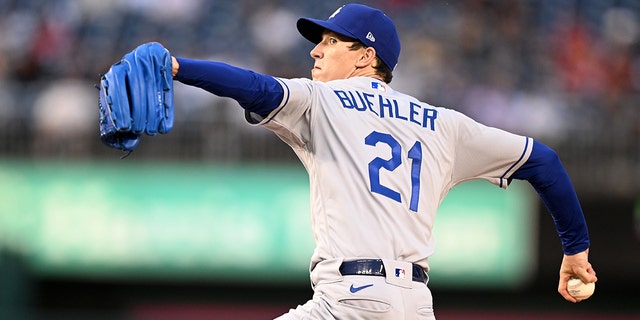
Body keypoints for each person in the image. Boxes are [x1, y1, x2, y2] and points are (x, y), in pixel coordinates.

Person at [169, 4, 597, 319]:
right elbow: (544, 161)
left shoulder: (324, 100)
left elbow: (255, 87)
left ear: (365, 57)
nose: (316, 52)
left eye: (330, 41)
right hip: (416, 305)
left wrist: (177, 66)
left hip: (350, 300)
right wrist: (575, 250)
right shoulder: (445, 125)